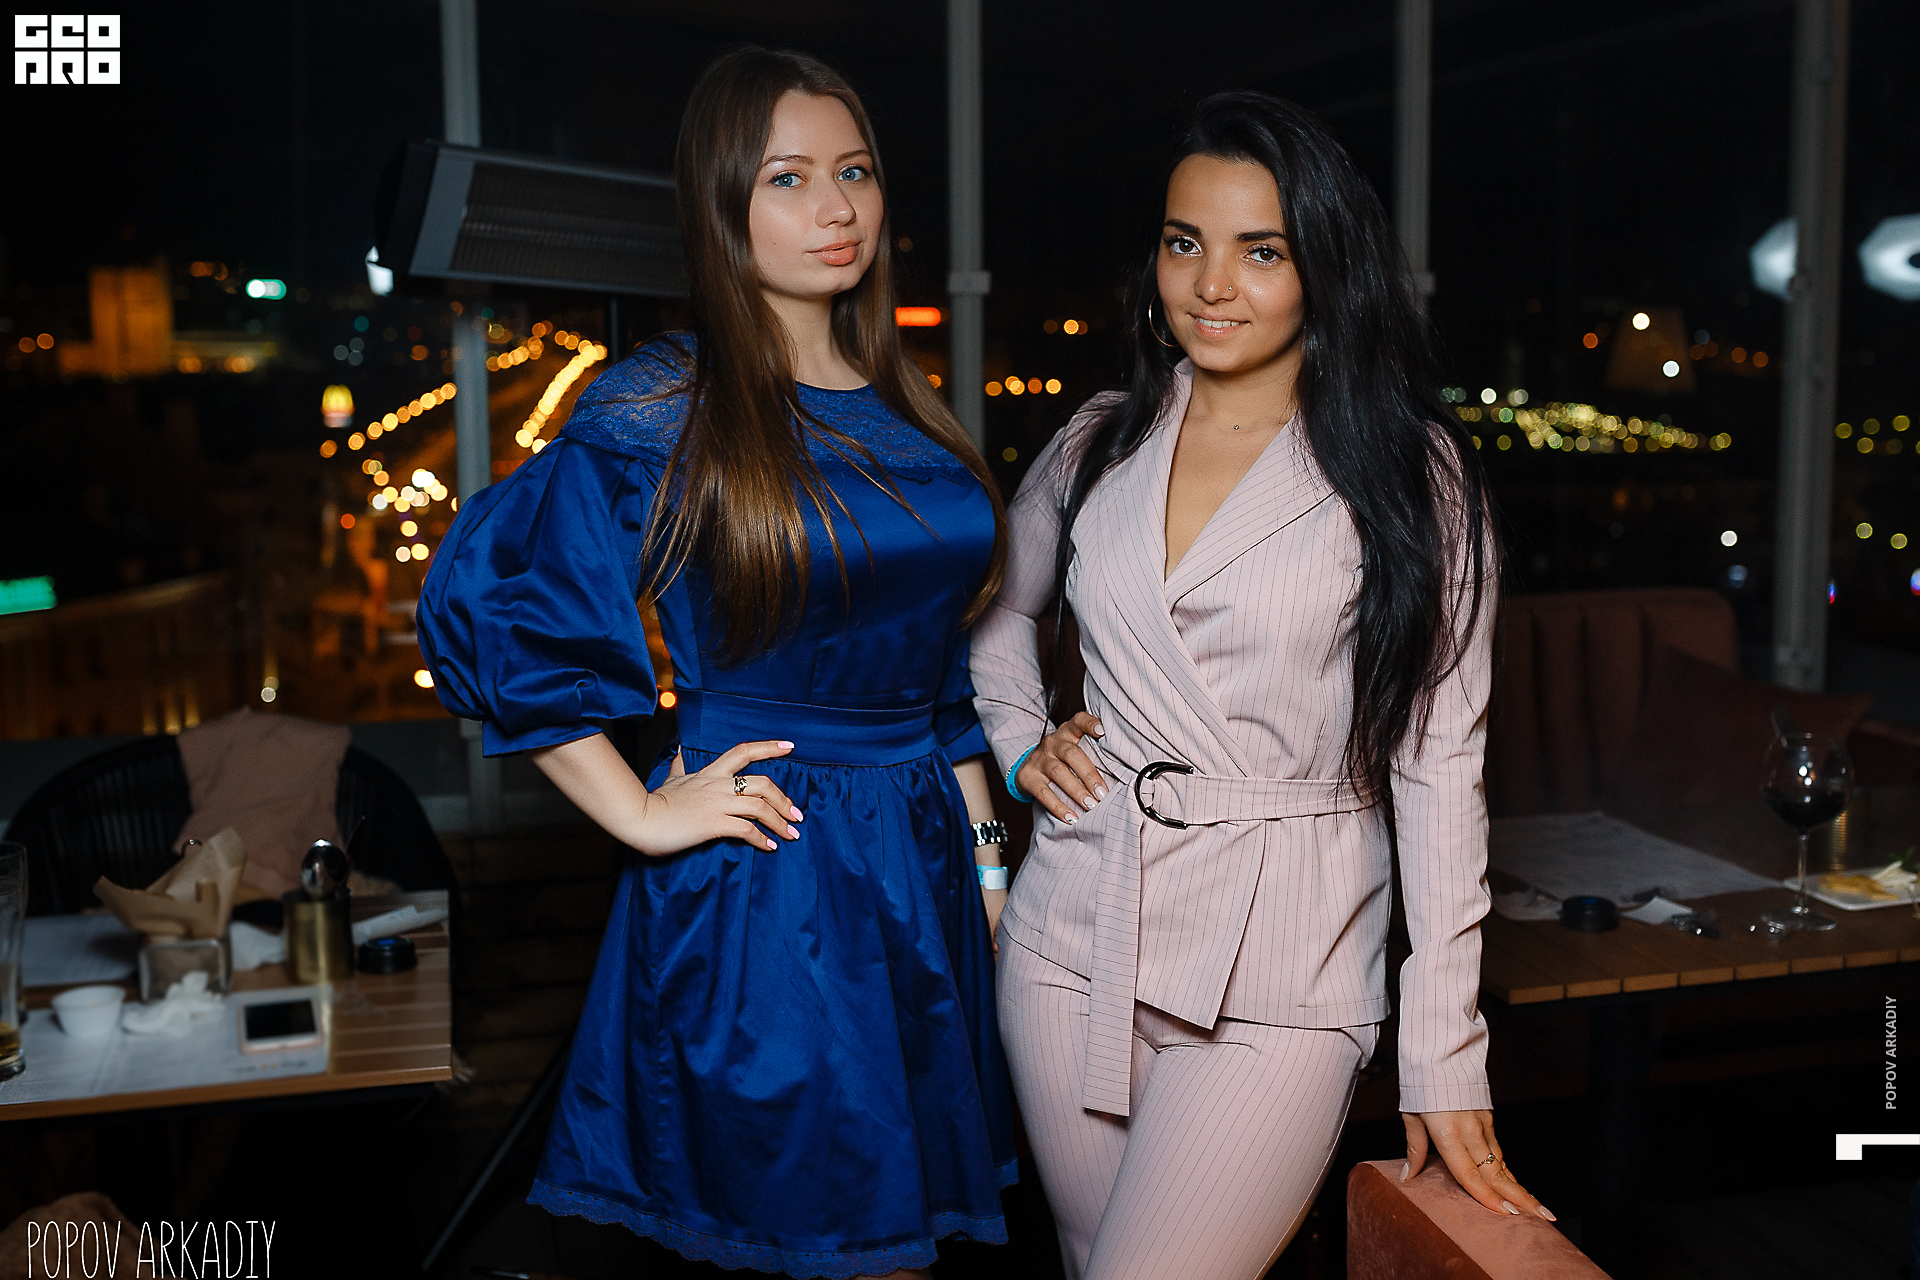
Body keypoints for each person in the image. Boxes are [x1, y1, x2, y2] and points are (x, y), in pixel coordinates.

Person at [417, 47, 1017, 1280]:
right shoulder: (666, 400)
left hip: (925, 871)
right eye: (788, 177)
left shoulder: (906, 399)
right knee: (856, 1250)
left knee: (913, 1242)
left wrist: (989, 863)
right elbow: (504, 603)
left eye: (855, 171)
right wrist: (639, 811)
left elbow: (938, 677)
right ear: (721, 202)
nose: (836, 206)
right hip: (778, 871)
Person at [969, 91, 1546, 1280]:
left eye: (1261, 250)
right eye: (1185, 242)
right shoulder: (1098, 440)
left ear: (1326, 268)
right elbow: (995, 611)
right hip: (1072, 928)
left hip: (1289, 961)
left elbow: (1442, 768)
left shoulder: (1416, 472)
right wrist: (1023, 740)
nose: (1211, 284)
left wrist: (1444, 1050)